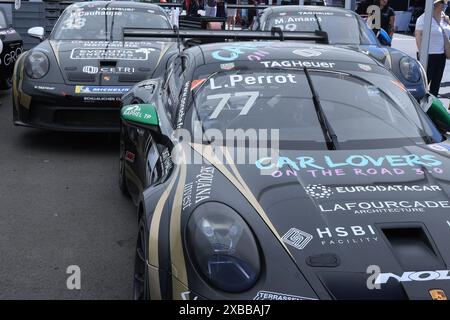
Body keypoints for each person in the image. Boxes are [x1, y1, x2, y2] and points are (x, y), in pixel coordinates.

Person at [415, 0, 450, 96]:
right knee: (424, 84)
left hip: (442, 55)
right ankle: (420, 106)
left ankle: (432, 105)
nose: (445, 4)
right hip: (428, 55)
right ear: (435, 4)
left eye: (445, 2)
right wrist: (421, 54)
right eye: (442, 2)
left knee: (436, 83)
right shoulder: (424, 18)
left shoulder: (444, 18)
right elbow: (418, 36)